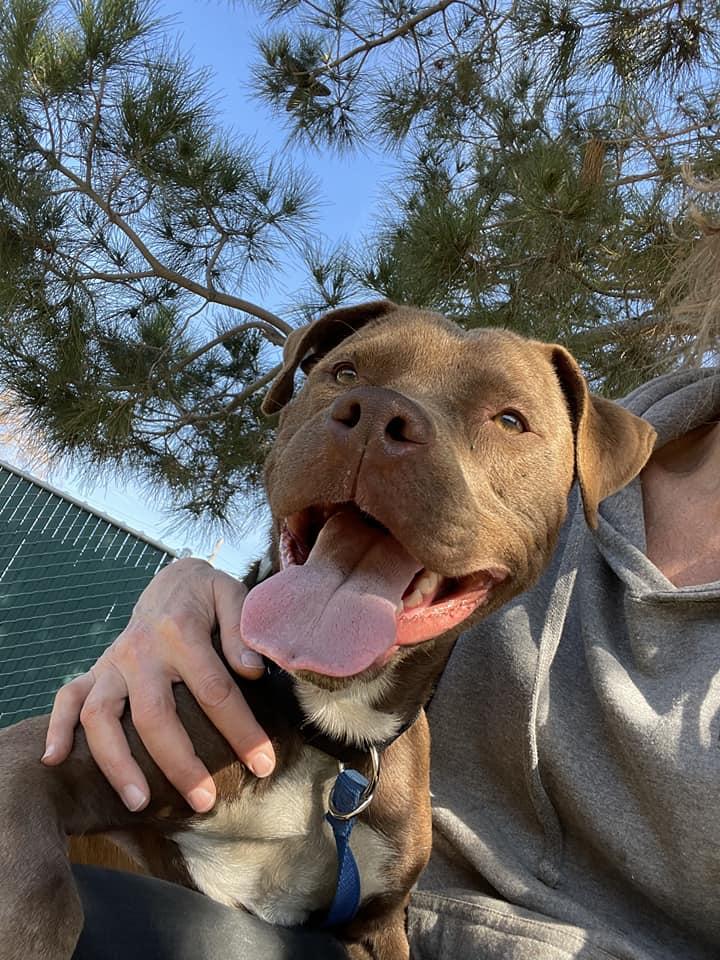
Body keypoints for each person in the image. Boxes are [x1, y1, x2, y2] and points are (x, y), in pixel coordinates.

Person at [44, 365, 720, 960]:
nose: (387, 417)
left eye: (509, 421)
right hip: (345, 928)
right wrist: (197, 590)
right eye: (346, 380)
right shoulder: (560, 452)